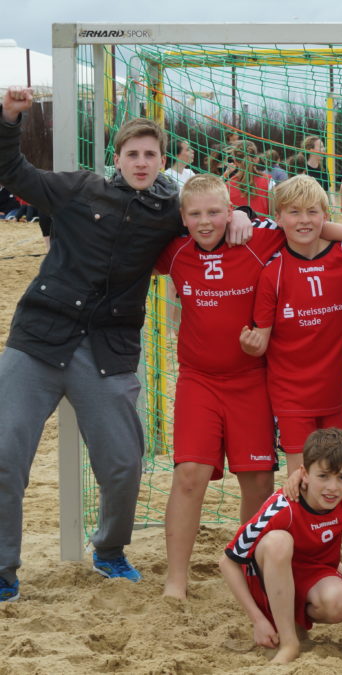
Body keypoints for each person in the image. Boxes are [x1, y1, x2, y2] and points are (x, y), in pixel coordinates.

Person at [0, 85, 248, 601]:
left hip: (106, 351)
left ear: (162, 161)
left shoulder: (168, 211)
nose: (141, 161)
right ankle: (3, 571)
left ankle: (110, 550)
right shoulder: (78, 189)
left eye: (150, 154)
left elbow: (211, 218)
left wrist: (240, 215)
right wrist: (8, 118)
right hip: (40, 338)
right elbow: (14, 172)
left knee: (122, 463)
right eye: (132, 153)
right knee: (5, 454)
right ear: (116, 159)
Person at [155, 175, 283, 601]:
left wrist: (252, 215)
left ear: (230, 212)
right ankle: (176, 580)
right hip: (198, 381)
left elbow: (306, 224)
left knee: (258, 482)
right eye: (195, 214)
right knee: (189, 475)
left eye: (215, 212)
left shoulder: (257, 241)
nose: (205, 221)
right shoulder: (174, 251)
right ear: (183, 219)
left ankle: (247, 571)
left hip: (252, 382)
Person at [239, 175, 342, 476]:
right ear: (279, 218)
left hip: (335, 393)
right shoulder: (273, 273)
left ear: (325, 215)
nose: (304, 220)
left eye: (312, 211)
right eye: (294, 212)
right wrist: (251, 344)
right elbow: (261, 341)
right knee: (302, 478)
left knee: (337, 475)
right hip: (291, 397)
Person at [218, 428, 342, 665]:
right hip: (268, 579)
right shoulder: (283, 507)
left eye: (341, 477)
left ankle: (294, 621)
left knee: (338, 603)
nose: (332, 487)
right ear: (305, 474)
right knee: (279, 541)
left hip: (313, 575)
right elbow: (228, 562)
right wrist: (257, 620)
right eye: (323, 476)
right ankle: (289, 643)